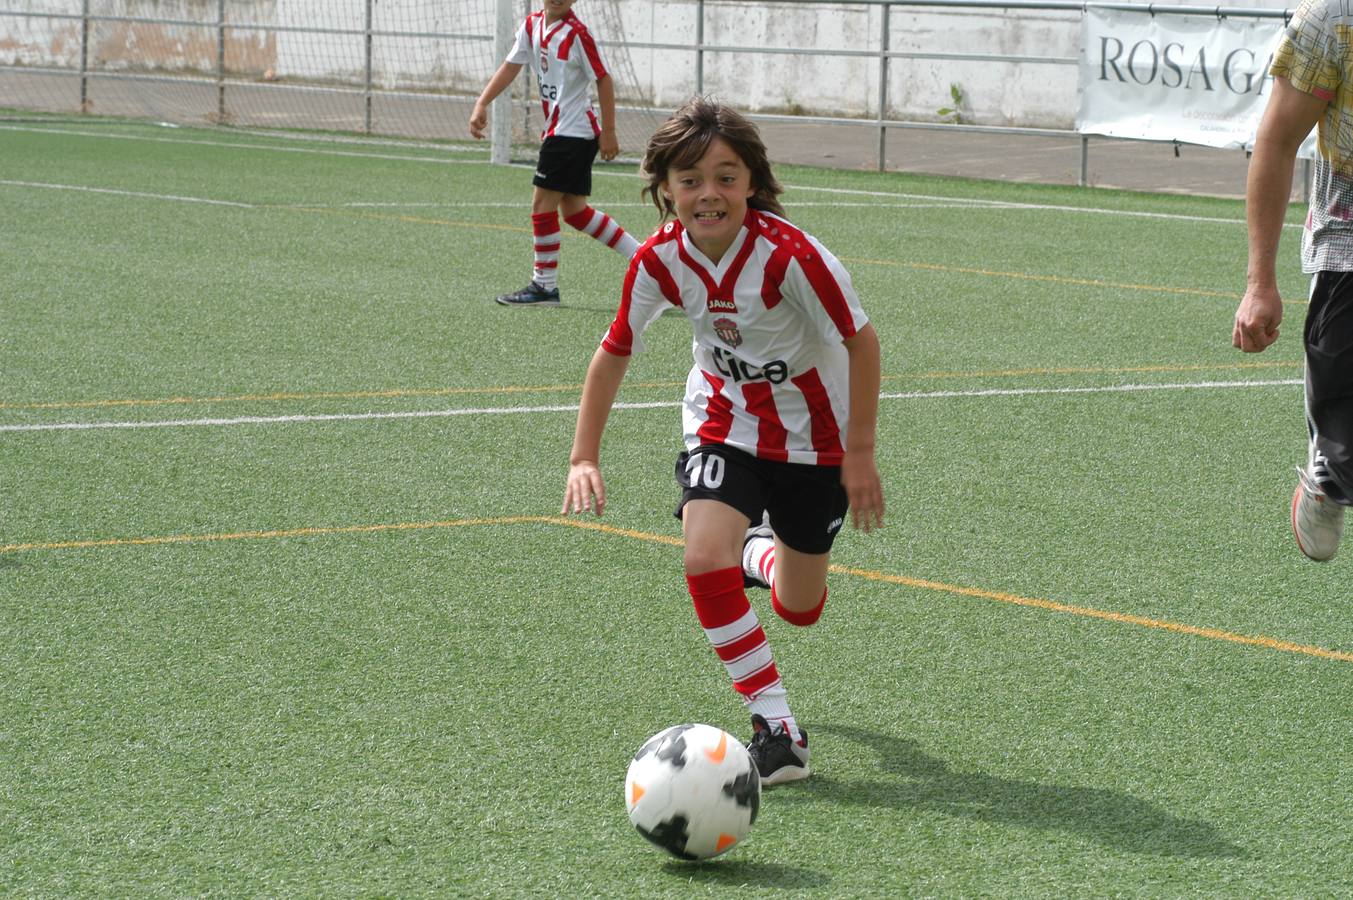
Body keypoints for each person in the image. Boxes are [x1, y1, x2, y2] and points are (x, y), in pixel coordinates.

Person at [561, 99, 885, 785]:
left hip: (813, 439)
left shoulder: (790, 257)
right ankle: (776, 727)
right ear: (665, 190)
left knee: (801, 609)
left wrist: (859, 452)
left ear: (752, 183)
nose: (708, 193)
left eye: (726, 177)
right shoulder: (656, 260)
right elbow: (614, 350)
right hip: (720, 422)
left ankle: (759, 554)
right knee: (703, 557)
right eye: (689, 179)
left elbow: (860, 340)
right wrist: (582, 454)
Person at [1233, 0, 1353, 561]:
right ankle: (1330, 478)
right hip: (1348, 247)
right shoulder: (1332, 17)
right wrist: (1261, 282)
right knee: (1347, 456)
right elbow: (1278, 141)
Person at [468, 0, 638, 307]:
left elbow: (603, 78)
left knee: (541, 203)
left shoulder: (577, 34)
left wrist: (610, 131)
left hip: (571, 132)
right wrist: (482, 103)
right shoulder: (531, 25)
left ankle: (544, 287)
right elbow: (510, 66)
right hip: (565, 131)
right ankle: (644, 258)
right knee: (574, 212)